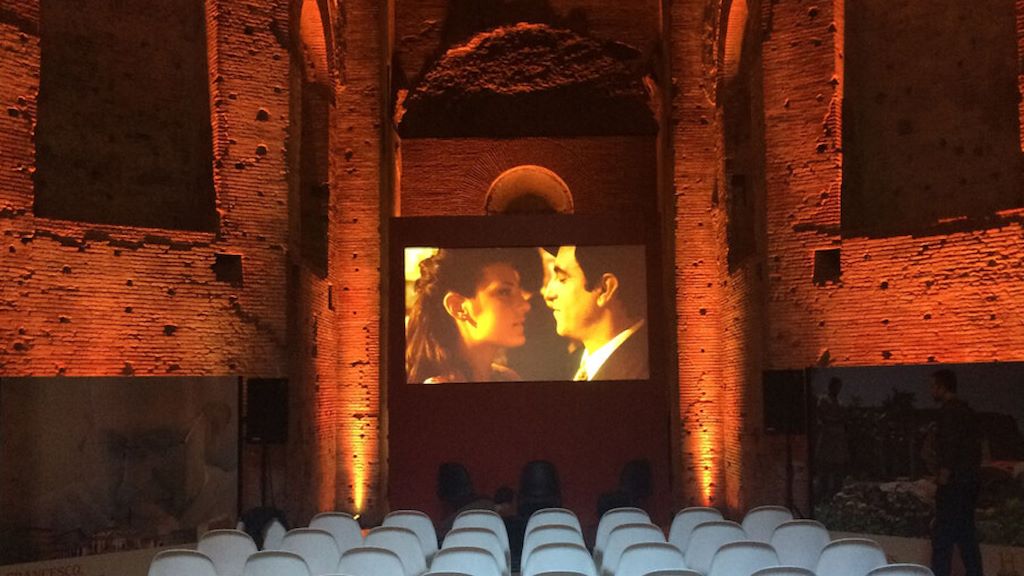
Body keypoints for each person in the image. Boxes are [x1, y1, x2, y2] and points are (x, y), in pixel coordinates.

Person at [406, 248, 536, 383]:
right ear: (457, 307)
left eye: (519, 292)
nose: (525, 305)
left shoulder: (507, 377)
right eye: (504, 292)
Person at [542, 245, 648, 380]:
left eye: (562, 279)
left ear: (605, 289)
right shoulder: (567, 366)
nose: (548, 294)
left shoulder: (642, 372)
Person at [930, 368, 983, 576]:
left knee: (942, 538)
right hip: (969, 482)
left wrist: (943, 478)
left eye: (933, 386)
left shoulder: (949, 412)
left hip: (954, 484)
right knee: (966, 535)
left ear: (942, 387)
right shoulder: (967, 411)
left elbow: (950, 447)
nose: (931, 391)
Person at [814, 377, 849, 502]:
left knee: (838, 468)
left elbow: (844, 418)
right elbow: (822, 416)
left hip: (838, 440)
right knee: (824, 469)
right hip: (827, 438)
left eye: (839, 387)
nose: (837, 389)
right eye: (836, 386)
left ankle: (836, 495)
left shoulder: (840, 403)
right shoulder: (824, 400)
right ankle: (822, 496)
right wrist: (834, 421)